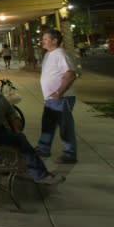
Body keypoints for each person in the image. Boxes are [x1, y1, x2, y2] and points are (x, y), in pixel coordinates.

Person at [36, 28, 79, 164]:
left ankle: (69, 154)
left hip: (61, 98)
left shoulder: (60, 54)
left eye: (45, 39)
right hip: (51, 98)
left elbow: (70, 75)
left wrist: (59, 92)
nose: (42, 41)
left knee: (65, 127)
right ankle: (43, 148)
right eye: (42, 38)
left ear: (54, 40)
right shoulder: (49, 54)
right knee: (47, 124)